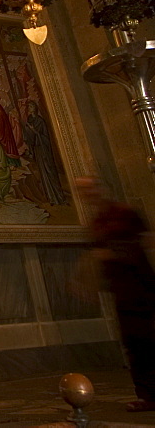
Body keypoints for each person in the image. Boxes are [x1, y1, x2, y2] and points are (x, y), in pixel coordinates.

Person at [78, 176, 155, 412]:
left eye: (90, 189)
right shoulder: (97, 223)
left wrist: (114, 254)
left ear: (101, 189)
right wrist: (88, 284)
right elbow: (94, 255)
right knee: (134, 344)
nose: (88, 195)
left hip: (144, 288)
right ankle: (146, 395)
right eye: (82, 192)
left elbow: (147, 243)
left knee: (151, 339)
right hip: (121, 292)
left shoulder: (125, 213)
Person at [23, 100, 64, 204]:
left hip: (44, 149)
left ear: (35, 108)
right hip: (37, 150)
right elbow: (28, 137)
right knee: (43, 173)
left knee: (49, 170)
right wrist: (28, 132)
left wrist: (34, 131)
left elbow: (45, 137)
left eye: (31, 106)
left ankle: (58, 196)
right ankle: (50, 197)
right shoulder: (29, 120)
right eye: (29, 107)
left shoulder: (40, 121)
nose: (30, 108)